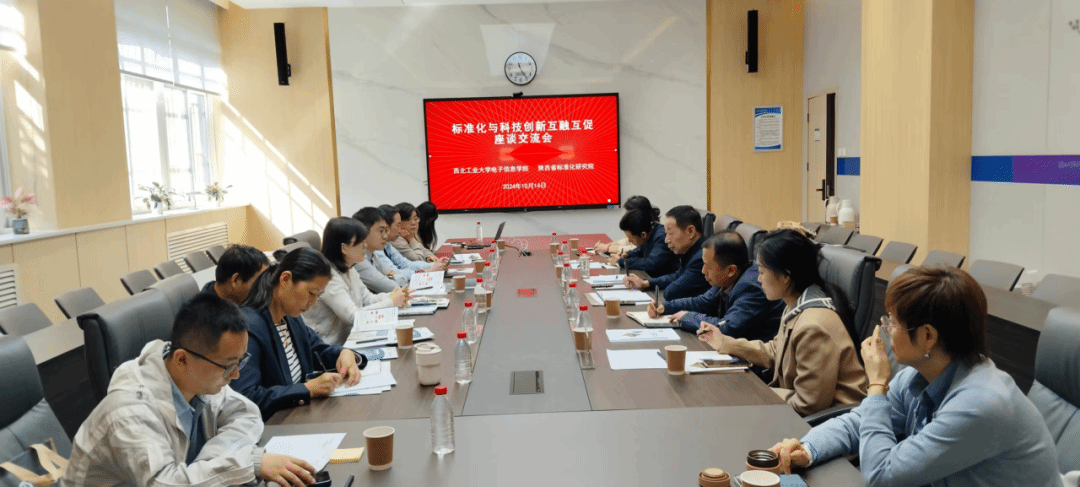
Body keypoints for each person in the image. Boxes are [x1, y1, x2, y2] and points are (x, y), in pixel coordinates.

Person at [770, 266, 1061, 487]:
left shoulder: (981, 403)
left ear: (927, 336)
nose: (886, 330)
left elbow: (881, 475)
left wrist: (876, 385)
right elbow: (860, 422)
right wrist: (808, 449)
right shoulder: (919, 374)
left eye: (893, 322)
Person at [62, 294, 318, 487]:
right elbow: (164, 483)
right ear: (182, 359)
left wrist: (210, 464)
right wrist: (246, 464)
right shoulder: (130, 413)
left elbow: (246, 414)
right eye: (228, 366)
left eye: (240, 362)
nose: (236, 375)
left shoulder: (198, 373)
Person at [698, 229, 866, 416]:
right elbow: (776, 351)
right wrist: (725, 343)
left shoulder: (812, 326)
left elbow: (808, 404)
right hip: (802, 411)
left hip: (830, 421)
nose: (758, 279)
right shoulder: (796, 304)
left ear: (786, 276)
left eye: (762, 271)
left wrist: (756, 393)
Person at [234, 247, 367, 420]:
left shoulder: (291, 317)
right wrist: (306, 389)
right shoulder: (249, 328)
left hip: (301, 415)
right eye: (311, 293)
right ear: (286, 279)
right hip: (275, 425)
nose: (313, 302)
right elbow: (246, 396)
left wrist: (345, 353)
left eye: (318, 296)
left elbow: (318, 350)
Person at [648, 230, 783, 340]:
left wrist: (688, 317)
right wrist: (666, 307)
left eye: (708, 266)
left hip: (754, 362)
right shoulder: (728, 278)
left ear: (730, 270)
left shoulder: (751, 287)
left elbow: (727, 328)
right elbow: (703, 302)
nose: (703, 271)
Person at [303, 217, 410, 345]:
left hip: (353, 338)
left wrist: (394, 296)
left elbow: (368, 299)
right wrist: (391, 302)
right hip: (333, 347)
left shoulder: (349, 268)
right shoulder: (328, 277)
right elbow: (353, 317)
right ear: (344, 248)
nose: (365, 246)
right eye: (360, 242)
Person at [624, 205, 711, 300]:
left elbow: (672, 292)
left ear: (690, 231)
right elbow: (677, 276)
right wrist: (646, 283)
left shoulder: (702, 258)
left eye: (670, 234)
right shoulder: (693, 251)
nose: (666, 240)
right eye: (666, 234)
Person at [377, 203, 447, 280]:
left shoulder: (387, 245)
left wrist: (435, 264)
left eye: (416, 219)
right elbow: (396, 273)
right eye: (398, 225)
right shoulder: (377, 249)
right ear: (386, 226)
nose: (400, 230)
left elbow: (407, 264)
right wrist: (428, 271)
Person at [353, 206, 408, 293]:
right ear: (364, 231)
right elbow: (392, 287)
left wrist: (390, 277)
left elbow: (402, 281)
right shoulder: (358, 260)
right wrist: (391, 277)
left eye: (386, 231)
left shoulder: (373, 255)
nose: (385, 236)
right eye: (381, 231)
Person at [610, 209, 679, 276]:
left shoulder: (661, 237)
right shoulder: (650, 230)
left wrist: (622, 262)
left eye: (632, 239)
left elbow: (651, 263)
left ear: (643, 235)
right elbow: (642, 248)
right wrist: (628, 254)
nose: (629, 241)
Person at [200, 244, 271, 305]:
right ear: (236, 280)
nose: (263, 288)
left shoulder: (215, 290)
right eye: (259, 282)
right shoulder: (208, 314)